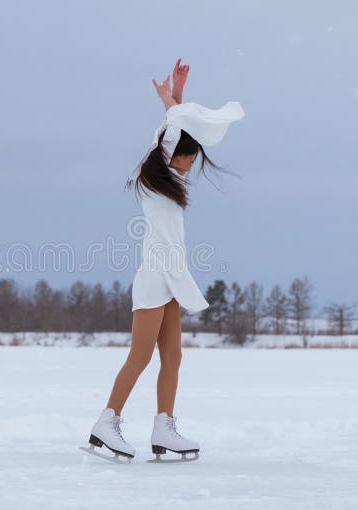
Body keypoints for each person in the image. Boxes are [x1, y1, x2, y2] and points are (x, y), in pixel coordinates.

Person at [86, 58, 245, 460]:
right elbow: (169, 136)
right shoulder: (149, 180)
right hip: (154, 278)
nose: (192, 161)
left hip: (171, 278)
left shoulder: (170, 180)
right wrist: (171, 103)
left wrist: (176, 97)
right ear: (173, 154)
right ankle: (107, 422)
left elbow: (174, 134)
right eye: (188, 154)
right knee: (140, 356)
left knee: (172, 356)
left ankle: (164, 428)